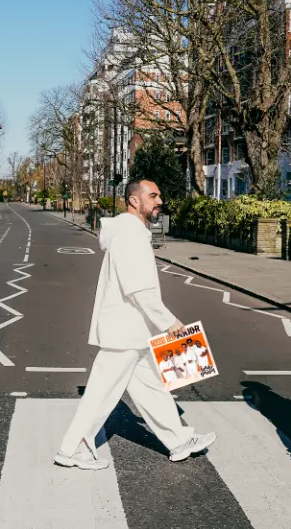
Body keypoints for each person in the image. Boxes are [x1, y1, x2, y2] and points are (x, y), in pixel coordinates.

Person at [56, 179, 216, 470]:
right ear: (134, 201)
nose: (159, 201)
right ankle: (73, 448)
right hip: (124, 332)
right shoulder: (130, 234)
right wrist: (170, 323)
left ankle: (179, 440)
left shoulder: (131, 232)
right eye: (153, 196)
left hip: (132, 331)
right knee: (101, 394)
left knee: (151, 387)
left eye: (159, 196)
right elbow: (138, 289)